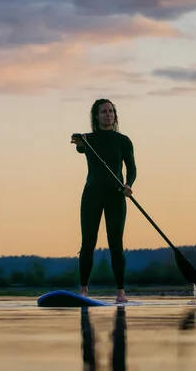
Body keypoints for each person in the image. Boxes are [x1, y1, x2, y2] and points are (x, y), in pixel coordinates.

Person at [71, 98, 137, 303]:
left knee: (116, 244)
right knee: (88, 242)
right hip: (92, 195)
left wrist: (128, 184)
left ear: (115, 116)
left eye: (111, 111)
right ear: (96, 116)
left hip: (116, 196)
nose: (108, 115)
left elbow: (132, 169)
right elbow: (80, 146)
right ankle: (83, 289)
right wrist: (78, 141)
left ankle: (120, 292)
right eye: (103, 112)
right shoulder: (88, 139)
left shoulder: (123, 140)